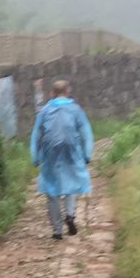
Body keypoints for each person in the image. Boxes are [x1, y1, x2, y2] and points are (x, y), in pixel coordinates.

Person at [30, 79, 94, 241]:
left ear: (52, 93)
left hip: (50, 152)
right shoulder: (75, 109)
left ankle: (57, 230)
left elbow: (36, 135)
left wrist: (35, 156)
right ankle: (70, 215)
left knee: (51, 191)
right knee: (71, 183)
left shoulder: (44, 111)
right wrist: (87, 154)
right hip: (71, 151)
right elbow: (86, 132)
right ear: (67, 92)